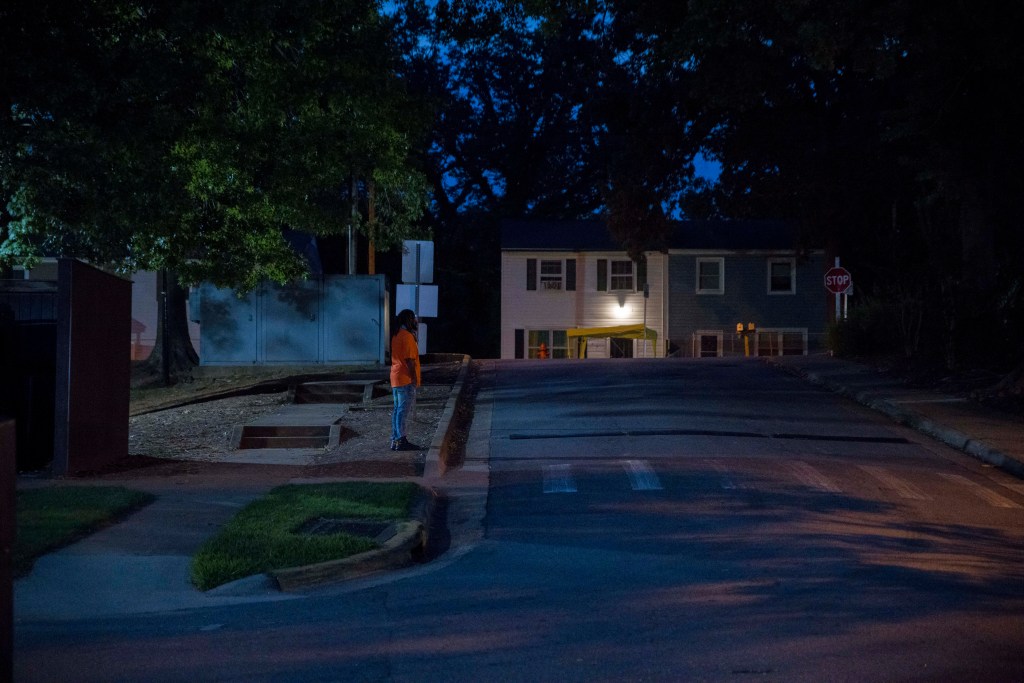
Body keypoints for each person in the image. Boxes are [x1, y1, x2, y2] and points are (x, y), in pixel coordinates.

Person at [390, 309, 422, 451]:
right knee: (402, 410)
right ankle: (401, 440)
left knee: (397, 410)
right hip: (405, 378)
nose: (416, 321)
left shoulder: (396, 335)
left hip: (396, 377)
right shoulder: (407, 336)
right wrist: (414, 378)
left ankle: (395, 440)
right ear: (409, 320)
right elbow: (409, 360)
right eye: (414, 318)